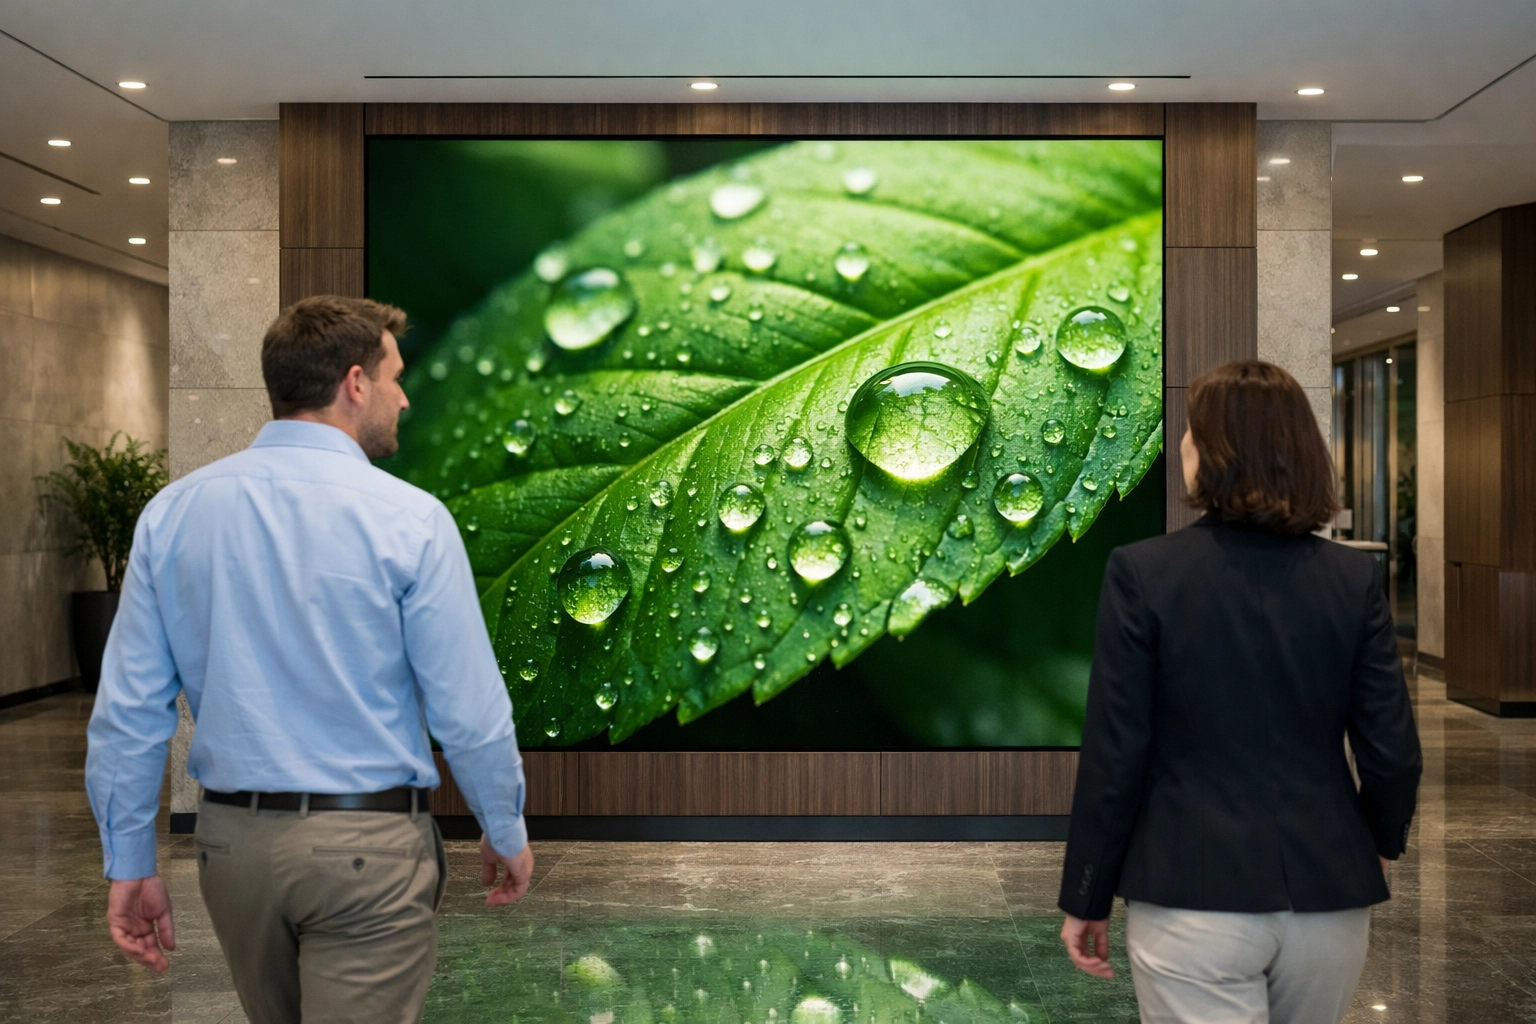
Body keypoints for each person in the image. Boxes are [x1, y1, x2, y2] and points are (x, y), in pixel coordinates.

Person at [85, 295, 534, 1024]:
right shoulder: (411, 520)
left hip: (232, 856)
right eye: (395, 376)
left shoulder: (174, 513)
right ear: (354, 383)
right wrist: (504, 826)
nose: (405, 395)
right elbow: (469, 709)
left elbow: (129, 713)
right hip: (369, 852)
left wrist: (130, 860)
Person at [1056, 360, 1422, 1024]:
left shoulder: (1144, 572)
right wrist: (1379, 841)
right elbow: (1393, 751)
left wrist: (1087, 893)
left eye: (1191, 436)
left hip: (1189, 895)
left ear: (1213, 454)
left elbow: (1116, 755)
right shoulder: (1352, 579)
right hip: (1328, 898)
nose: (1183, 450)